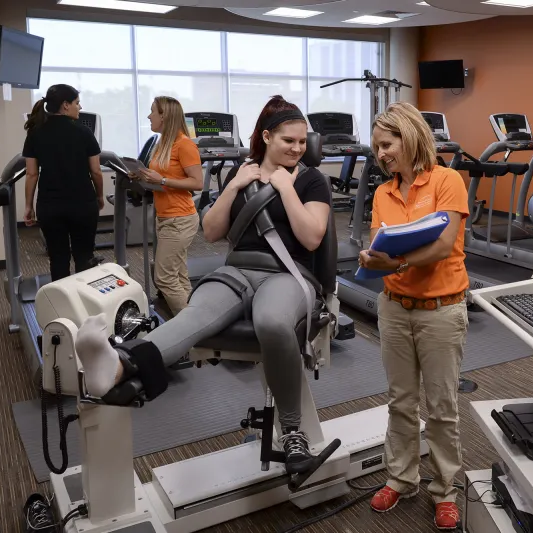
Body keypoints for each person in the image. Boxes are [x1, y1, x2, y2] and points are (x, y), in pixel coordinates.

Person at [73, 95, 332, 472]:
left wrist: (286, 187)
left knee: (273, 322)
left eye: (301, 141)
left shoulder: (311, 180)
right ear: (267, 137)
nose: (296, 148)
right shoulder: (241, 174)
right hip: (237, 271)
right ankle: (118, 365)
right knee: (192, 316)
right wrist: (234, 186)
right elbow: (211, 232)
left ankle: (293, 433)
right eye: (288, 140)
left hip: (287, 273)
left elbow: (311, 238)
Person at [357, 102, 470, 530]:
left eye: (387, 144)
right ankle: (401, 478)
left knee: (441, 406)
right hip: (394, 308)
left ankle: (445, 490)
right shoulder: (383, 193)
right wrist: (372, 257)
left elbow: (444, 244)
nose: (381, 154)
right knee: (400, 401)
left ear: (409, 137)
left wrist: (400, 262)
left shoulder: (446, 180)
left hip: (440, 310)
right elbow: (377, 244)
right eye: (376, 148)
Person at [23, 84, 105, 281]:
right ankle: (85, 298)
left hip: (50, 206)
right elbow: (96, 171)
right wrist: (100, 196)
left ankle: (61, 299)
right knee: (84, 257)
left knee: (58, 258)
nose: (80, 107)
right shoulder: (84, 132)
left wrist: (28, 206)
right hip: (83, 204)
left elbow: (31, 174)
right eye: (77, 103)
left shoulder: (35, 133)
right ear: (66, 105)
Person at [140, 96, 204, 316]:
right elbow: (161, 176)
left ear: (164, 116)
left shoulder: (184, 144)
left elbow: (197, 183)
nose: (149, 116)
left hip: (180, 219)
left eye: (152, 112)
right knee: (178, 275)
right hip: (165, 217)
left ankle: (189, 325)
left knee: (164, 278)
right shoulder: (163, 143)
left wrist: (163, 180)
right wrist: (142, 176)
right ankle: (197, 316)